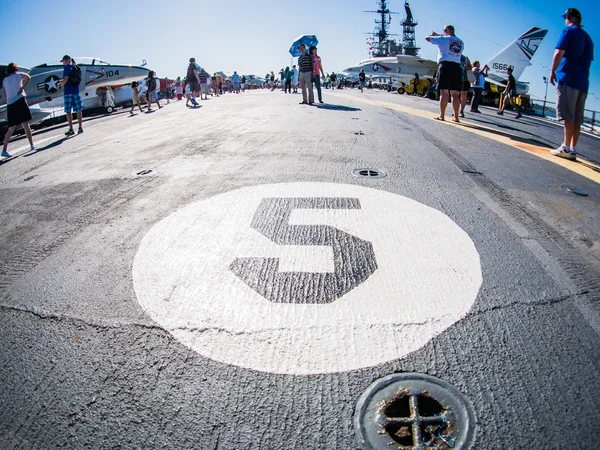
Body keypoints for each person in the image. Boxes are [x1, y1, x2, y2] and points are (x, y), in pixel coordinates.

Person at [550, 7, 594, 161]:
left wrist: (552, 71)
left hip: (568, 79)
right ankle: (573, 148)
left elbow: (558, 52)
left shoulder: (568, 31)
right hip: (583, 83)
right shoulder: (588, 39)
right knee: (577, 118)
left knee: (568, 115)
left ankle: (566, 147)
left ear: (569, 18)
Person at [425, 25, 464, 122]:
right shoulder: (461, 42)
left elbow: (427, 38)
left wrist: (435, 35)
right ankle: (456, 117)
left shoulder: (443, 38)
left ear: (445, 31)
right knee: (455, 94)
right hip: (456, 67)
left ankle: (442, 115)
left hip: (445, 65)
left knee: (444, 92)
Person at [1, 62, 34, 157]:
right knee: (25, 124)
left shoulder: (4, 81)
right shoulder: (18, 75)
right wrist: (22, 88)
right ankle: (31, 145)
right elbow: (28, 78)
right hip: (20, 100)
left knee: (11, 128)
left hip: (10, 104)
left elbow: (4, 96)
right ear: (15, 69)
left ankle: (4, 150)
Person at [56, 55, 83, 136]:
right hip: (76, 91)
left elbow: (66, 79)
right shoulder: (75, 67)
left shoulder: (67, 68)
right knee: (78, 110)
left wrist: (59, 85)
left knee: (68, 111)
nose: (63, 63)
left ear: (67, 60)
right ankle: (80, 127)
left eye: (63, 61)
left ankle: (71, 129)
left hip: (68, 92)